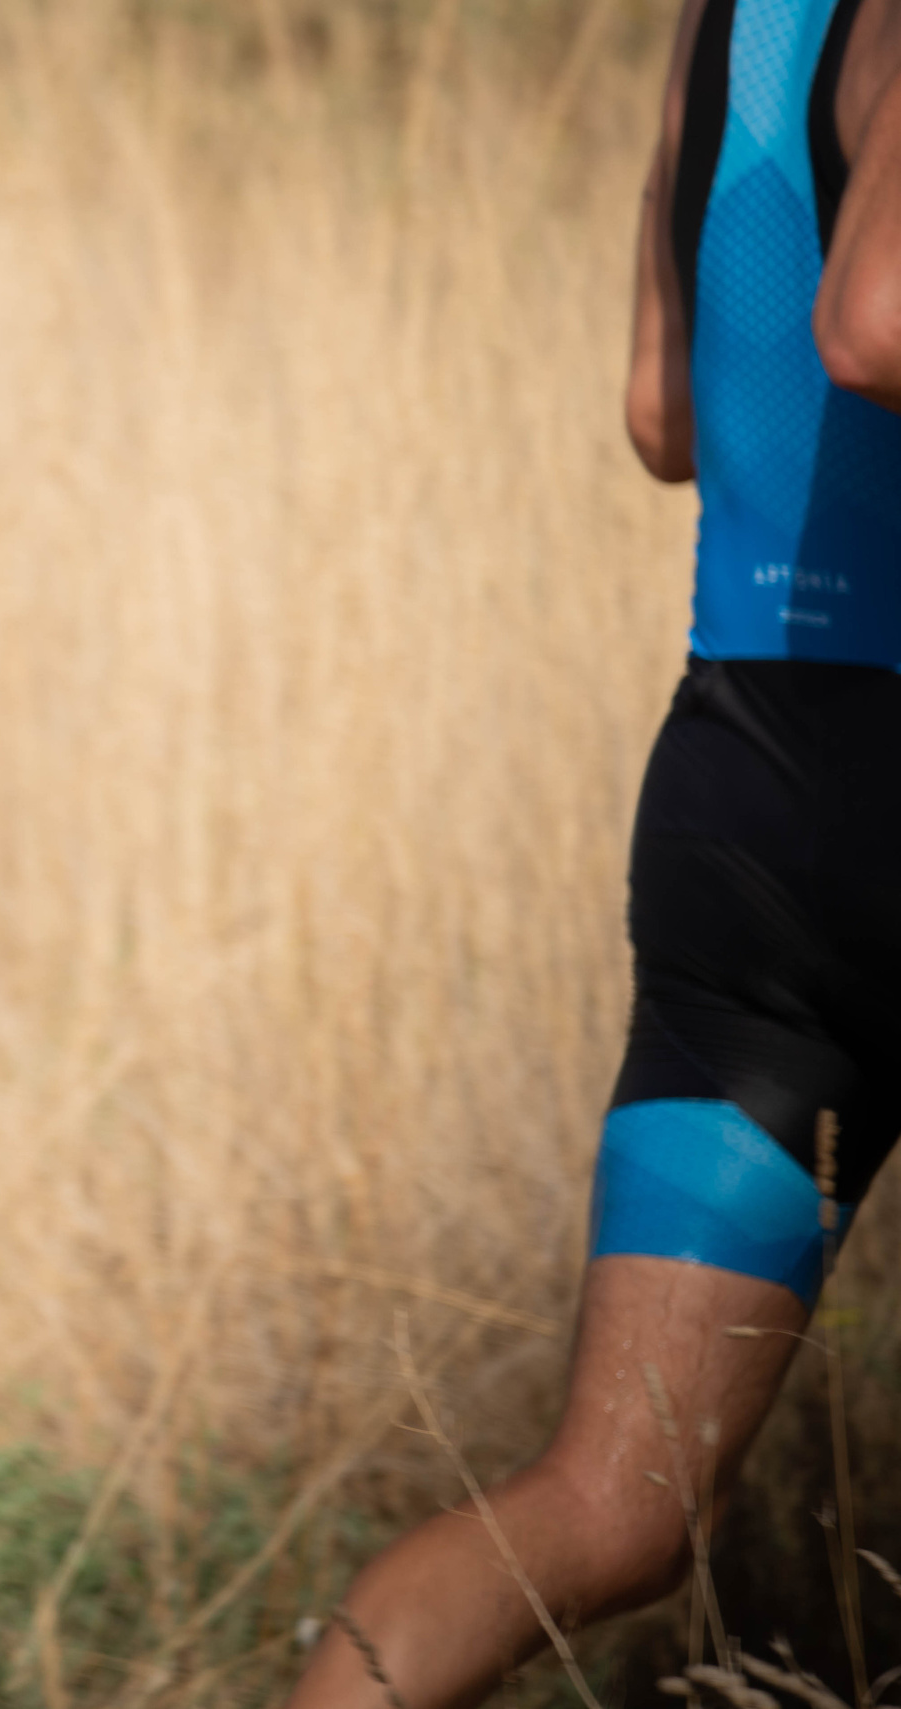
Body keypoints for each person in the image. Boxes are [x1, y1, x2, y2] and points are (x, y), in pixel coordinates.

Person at [283, 3, 901, 1706]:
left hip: (741, 798)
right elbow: (875, 316)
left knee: (611, 1506)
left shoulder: (732, 28)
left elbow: (662, 412)